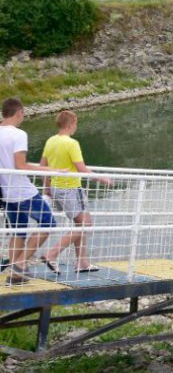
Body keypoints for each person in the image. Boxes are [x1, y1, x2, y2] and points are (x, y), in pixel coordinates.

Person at [40, 110, 112, 274]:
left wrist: (47, 188)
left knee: (81, 224)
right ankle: (52, 254)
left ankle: (82, 262)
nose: (76, 127)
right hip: (71, 188)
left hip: (57, 187)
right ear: (71, 124)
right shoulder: (72, 144)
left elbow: (44, 166)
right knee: (86, 224)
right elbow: (81, 169)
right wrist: (101, 178)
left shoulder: (51, 141)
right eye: (76, 124)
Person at [0, 98, 61, 285]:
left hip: (6, 193)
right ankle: (20, 263)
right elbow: (20, 165)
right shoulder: (18, 134)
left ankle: (15, 275)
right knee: (48, 224)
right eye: (23, 115)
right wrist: (51, 171)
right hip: (23, 191)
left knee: (18, 231)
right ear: (19, 113)